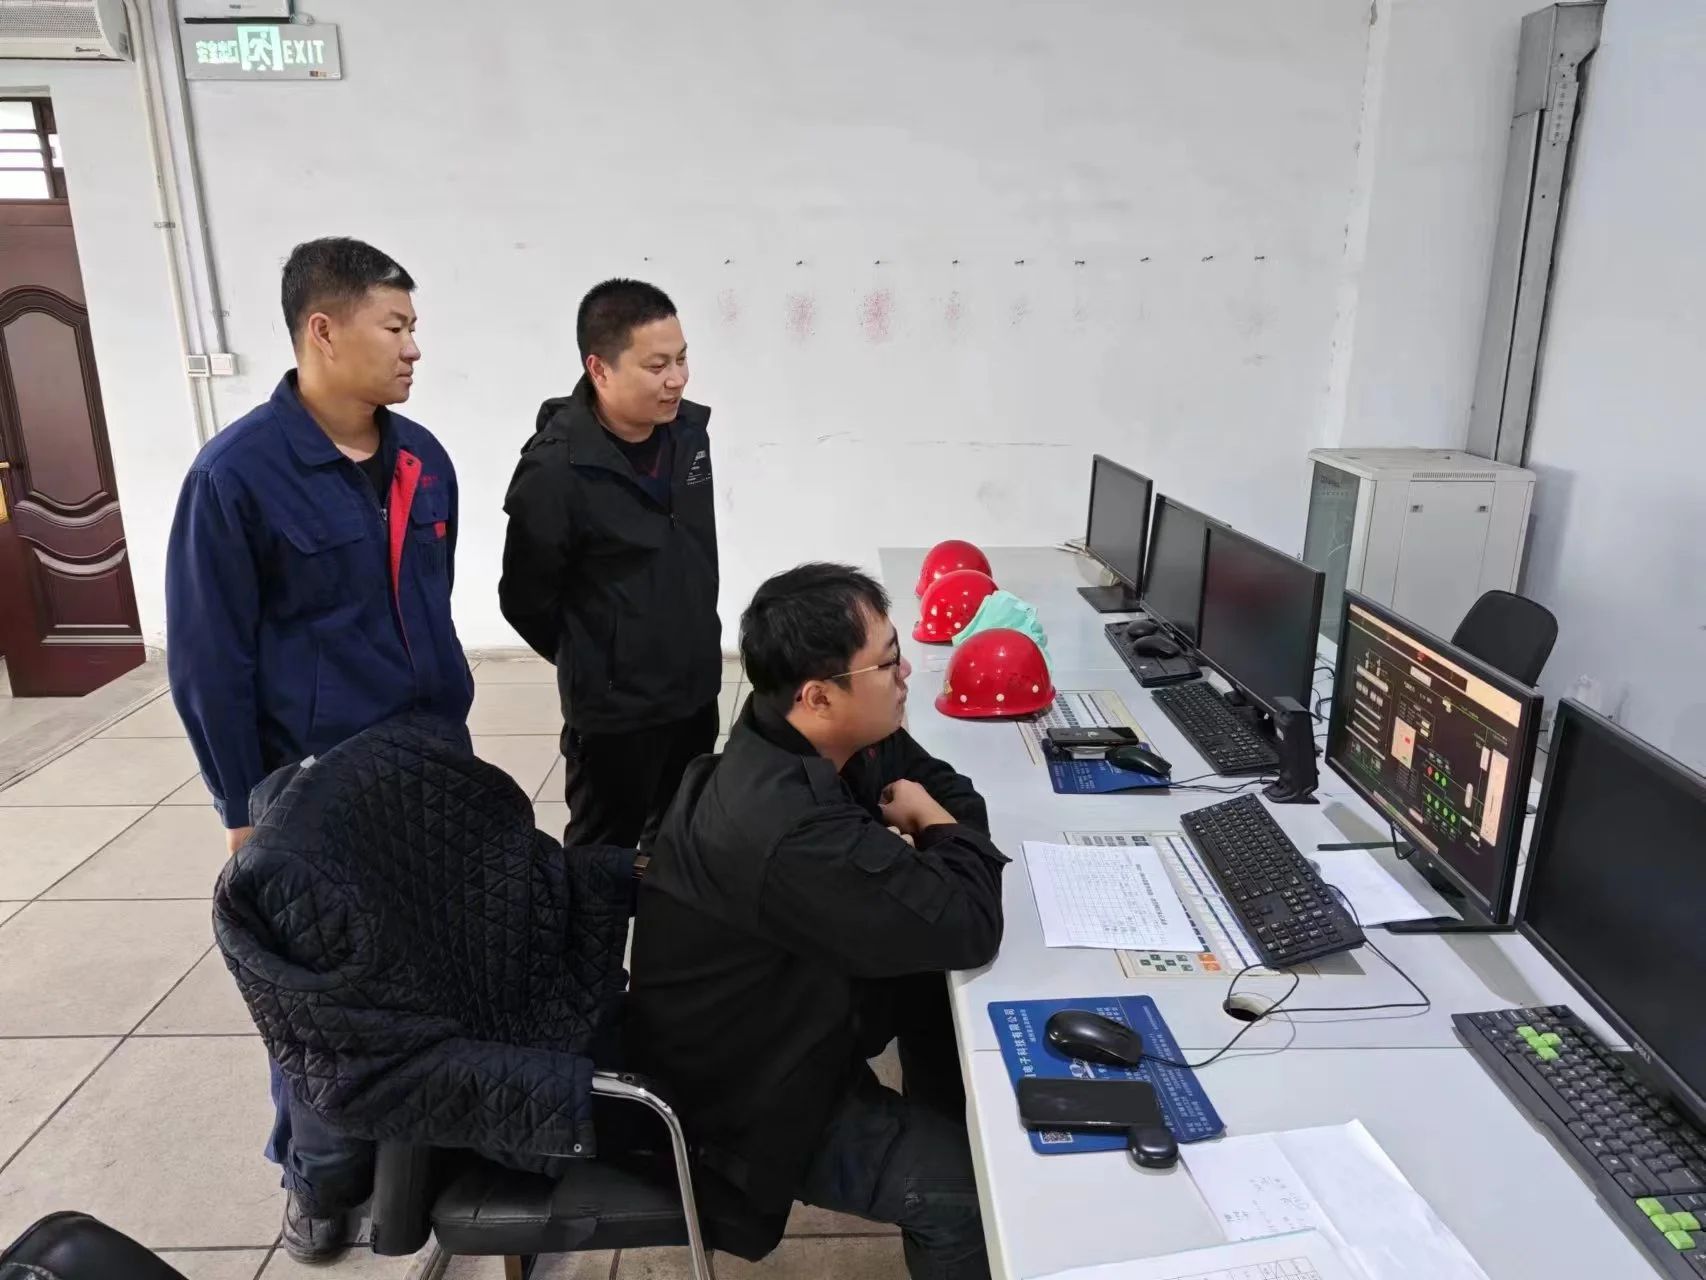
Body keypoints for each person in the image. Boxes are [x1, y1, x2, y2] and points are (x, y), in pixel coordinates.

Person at [165, 237, 473, 1263]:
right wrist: (240, 810)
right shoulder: (236, 476)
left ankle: (418, 1161)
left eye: (415, 327)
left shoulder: (424, 460)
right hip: (312, 787)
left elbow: (431, 607)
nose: (413, 347)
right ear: (323, 330)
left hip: (430, 766)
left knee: (427, 970)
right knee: (319, 1002)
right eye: (396, 326)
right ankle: (319, 1177)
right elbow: (209, 661)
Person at [627, 563, 1007, 1279]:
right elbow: (968, 921)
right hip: (749, 1098)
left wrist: (937, 816)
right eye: (888, 662)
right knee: (965, 1194)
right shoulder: (789, 827)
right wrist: (931, 821)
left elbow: (950, 789)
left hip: (790, 1019)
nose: (906, 673)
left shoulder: (801, 732)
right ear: (819, 695)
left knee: (938, 998)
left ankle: (944, 1106)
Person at [498, 279, 720, 850]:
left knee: (682, 840)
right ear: (599, 369)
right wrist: (600, 655)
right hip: (616, 713)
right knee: (601, 860)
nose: (677, 379)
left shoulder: (688, 435)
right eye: (657, 366)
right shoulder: (555, 471)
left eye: (682, 358)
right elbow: (524, 599)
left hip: (694, 690)